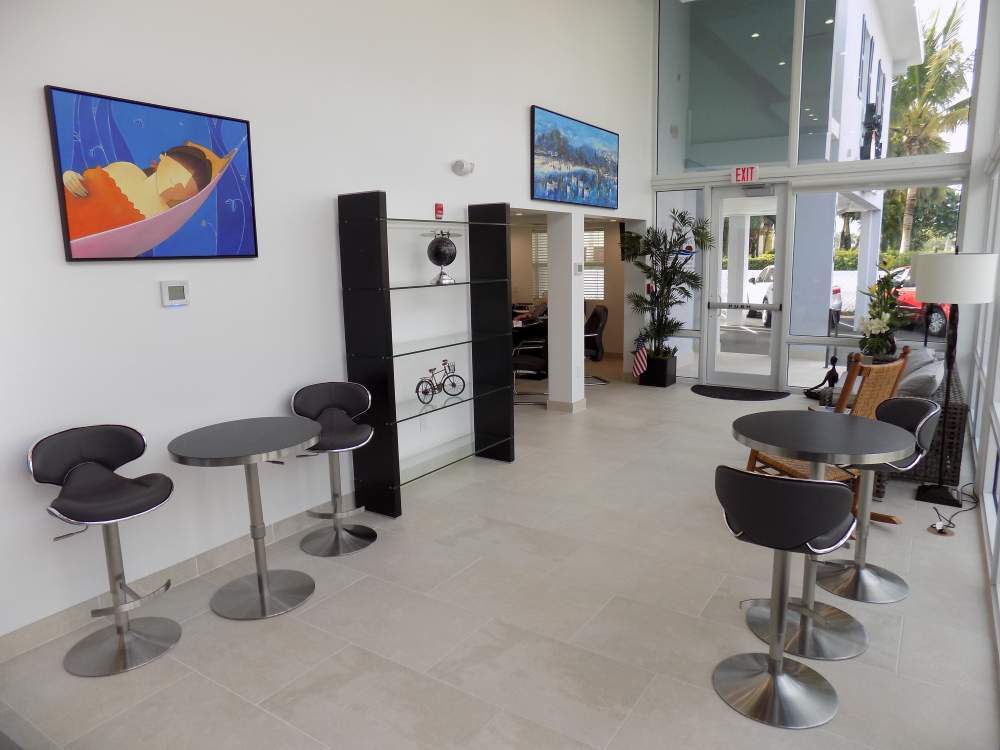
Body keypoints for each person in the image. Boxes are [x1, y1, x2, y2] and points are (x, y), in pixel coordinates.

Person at [61, 142, 230, 240]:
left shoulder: (162, 218)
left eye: (187, 185)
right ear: (162, 159)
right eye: (177, 172)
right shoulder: (125, 169)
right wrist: (68, 176)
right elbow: (82, 184)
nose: (178, 183)